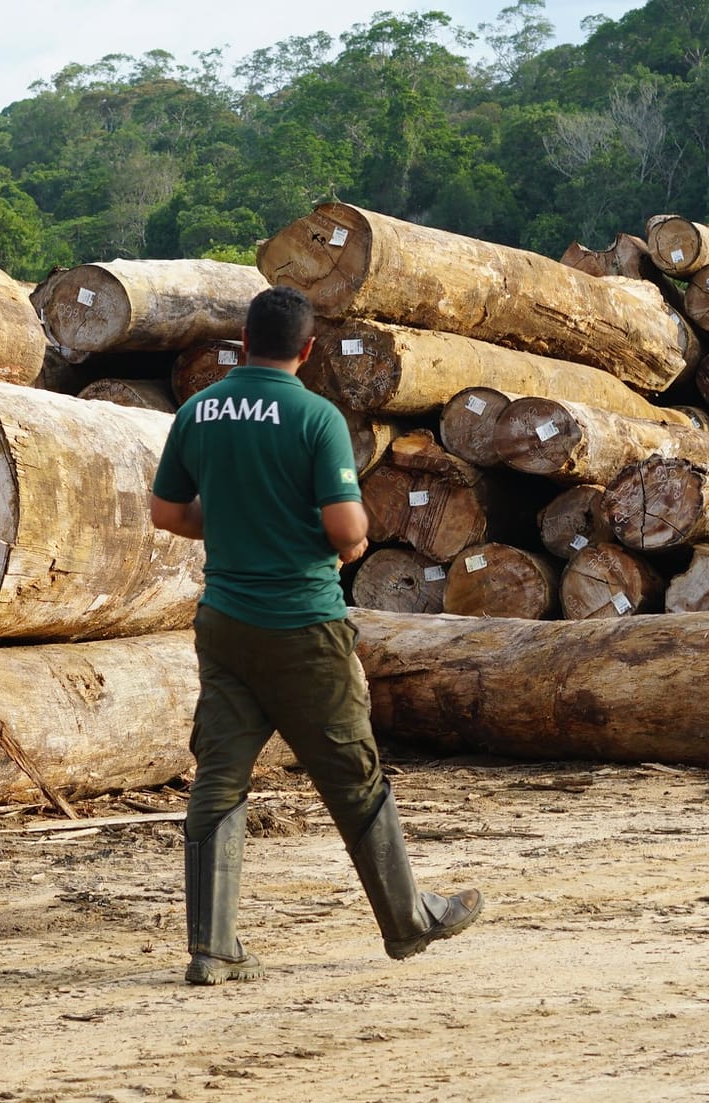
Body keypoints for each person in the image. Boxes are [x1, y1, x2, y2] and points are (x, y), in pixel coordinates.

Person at [150, 285, 481, 985]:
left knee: (219, 776)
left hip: (226, 626)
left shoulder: (198, 410)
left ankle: (212, 946)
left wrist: (240, 520)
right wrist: (346, 535)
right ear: (307, 350)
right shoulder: (316, 416)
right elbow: (345, 530)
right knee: (352, 774)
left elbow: (167, 512)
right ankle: (408, 920)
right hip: (303, 624)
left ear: (242, 340)